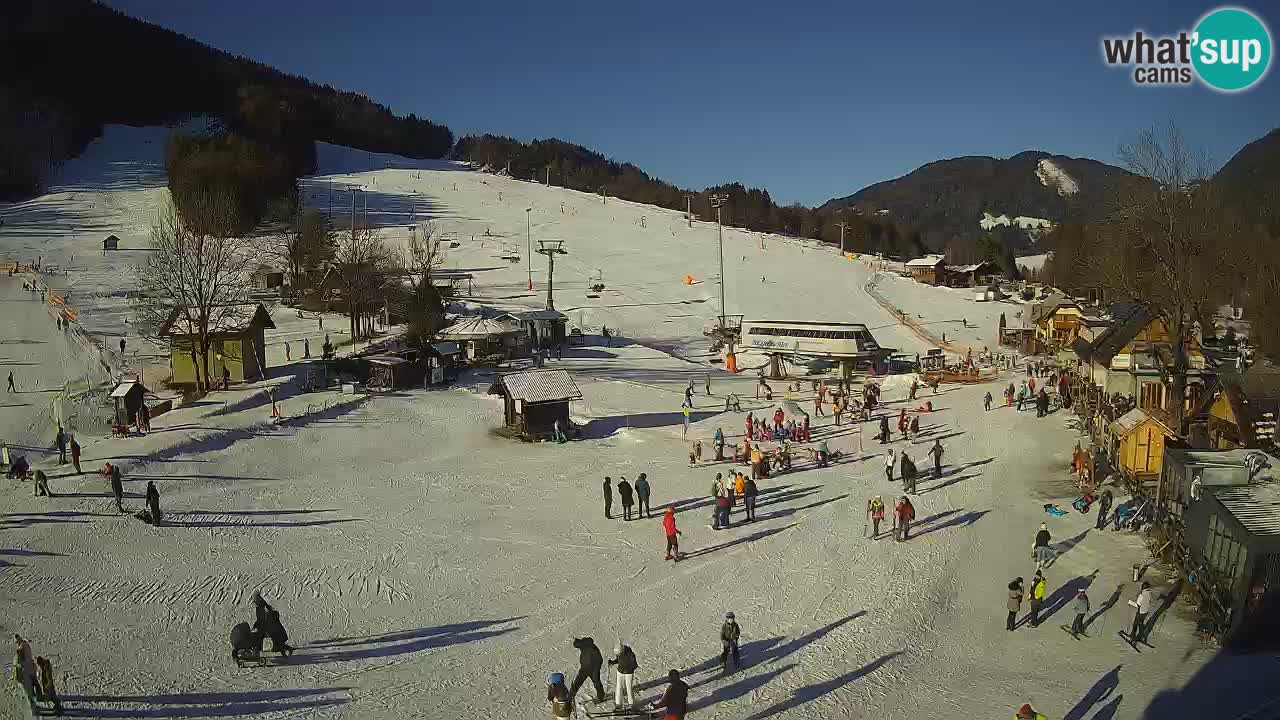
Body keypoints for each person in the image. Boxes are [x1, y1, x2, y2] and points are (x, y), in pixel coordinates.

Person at [569, 637, 606, 703]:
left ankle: (570, 697)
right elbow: (600, 659)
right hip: (587, 668)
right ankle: (601, 696)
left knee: (578, 682)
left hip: (590, 669)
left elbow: (600, 660)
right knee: (596, 682)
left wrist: (596, 668)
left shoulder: (586, 646)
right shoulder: (588, 645)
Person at [608, 643, 638, 708]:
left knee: (629, 688)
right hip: (620, 672)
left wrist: (628, 668)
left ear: (622, 651)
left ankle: (631, 704)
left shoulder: (631, 655)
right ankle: (618, 704)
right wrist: (612, 662)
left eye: (619, 654)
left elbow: (635, 665)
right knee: (618, 687)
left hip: (628, 674)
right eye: (617, 654)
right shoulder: (619, 653)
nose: (618, 655)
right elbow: (618, 660)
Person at [13, 634, 37, 712]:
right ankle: (34, 698)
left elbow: (18, 665)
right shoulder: (24, 646)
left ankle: (33, 708)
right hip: (30, 670)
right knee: (31, 687)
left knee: (28, 692)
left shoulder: (20, 653)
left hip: (27, 673)